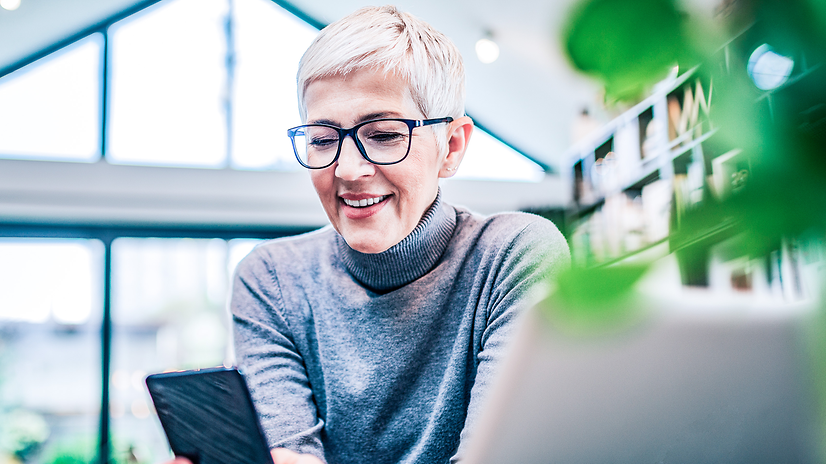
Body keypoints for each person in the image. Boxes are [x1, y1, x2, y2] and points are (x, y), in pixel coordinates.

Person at [173, 5, 569, 464]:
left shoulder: (514, 255)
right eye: (322, 139)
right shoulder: (272, 280)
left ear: (452, 147)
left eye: (382, 134)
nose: (348, 170)